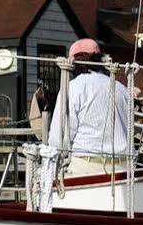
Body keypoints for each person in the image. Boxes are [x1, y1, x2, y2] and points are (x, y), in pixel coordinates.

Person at [42, 38, 134, 184]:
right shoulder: (121, 89)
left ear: (73, 63)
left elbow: (60, 137)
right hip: (124, 167)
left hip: (87, 167)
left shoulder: (73, 88)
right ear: (100, 60)